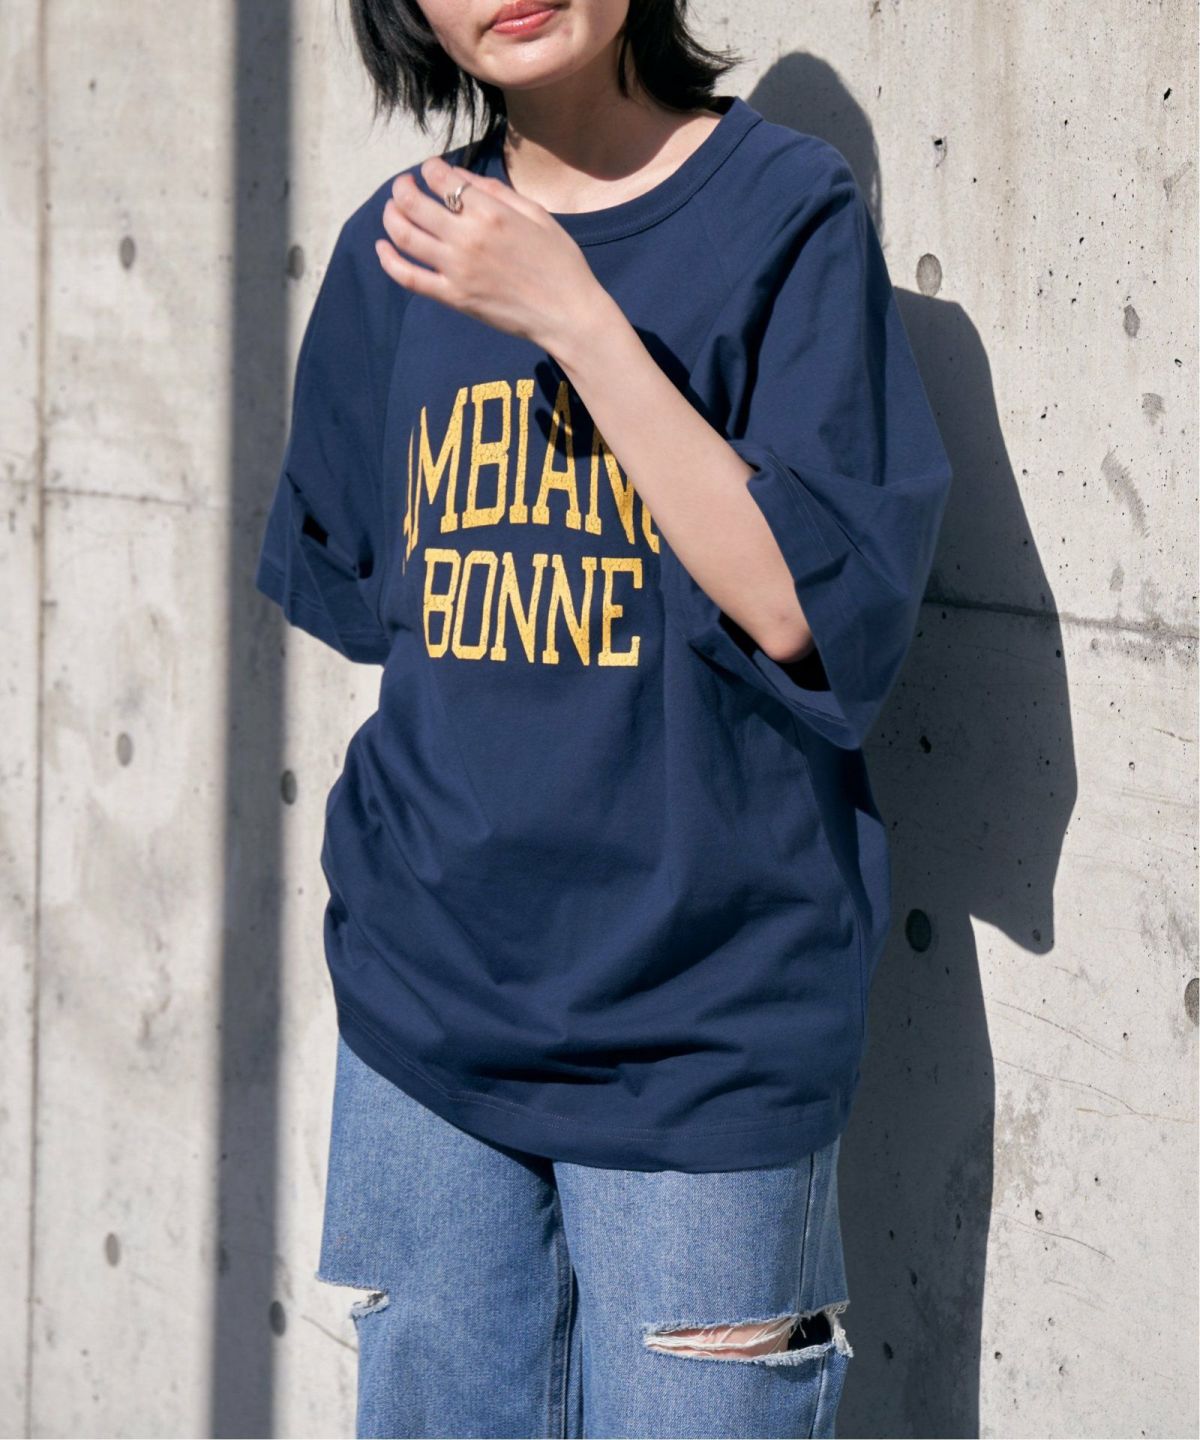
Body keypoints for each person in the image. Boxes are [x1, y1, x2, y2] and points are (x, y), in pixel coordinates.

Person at [253, 0, 953, 1434]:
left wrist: (573, 314)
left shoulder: (785, 213)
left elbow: (801, 606)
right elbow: (389, 611)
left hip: (702, 1032)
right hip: (424, 1019)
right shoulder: (399, 242)